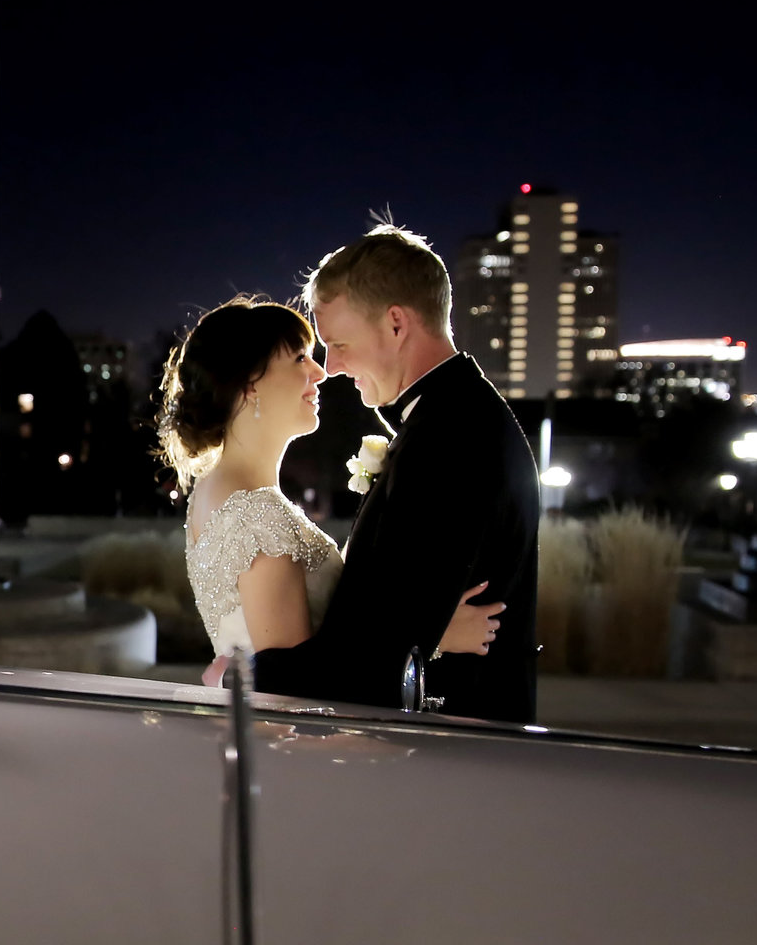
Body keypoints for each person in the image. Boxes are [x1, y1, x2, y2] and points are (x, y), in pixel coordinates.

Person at [249, 225, 540, 723]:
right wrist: (428, 629)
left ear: (397, 323)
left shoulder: (451, 439)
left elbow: (378, 653)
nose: (332, 366)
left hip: (451, 749)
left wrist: (246, 678)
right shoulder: (455, 417)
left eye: (338, 343)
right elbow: (398, 622)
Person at [157, 294, 501, 692]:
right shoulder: (257, 517)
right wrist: (432, 634)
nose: (320, 372)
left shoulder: (213, 491)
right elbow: (296, 684)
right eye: (300, 358)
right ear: (250, 383)